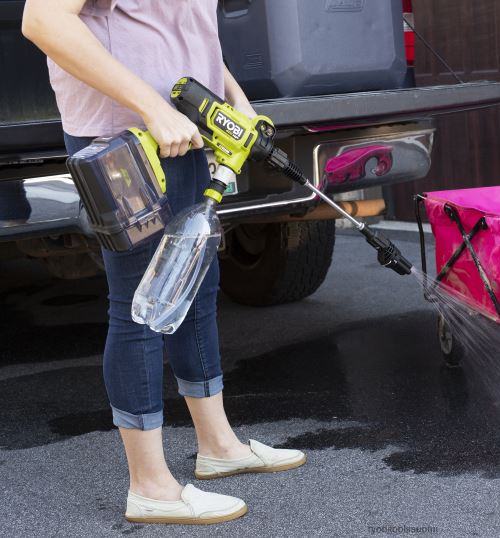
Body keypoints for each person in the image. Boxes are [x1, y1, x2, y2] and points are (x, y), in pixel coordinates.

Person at [22, 0, 305, 525]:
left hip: (186, 123)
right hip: (130, 135)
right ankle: (150, 486)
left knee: (196, 283)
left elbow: (184, 28)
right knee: (142, 305)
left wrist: (233, 99)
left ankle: (219, 445)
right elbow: (42, 20)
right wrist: (152, 109)